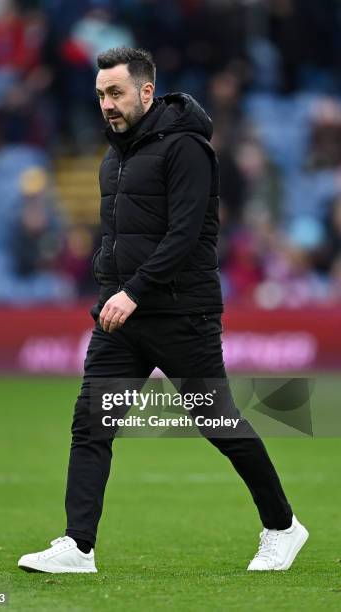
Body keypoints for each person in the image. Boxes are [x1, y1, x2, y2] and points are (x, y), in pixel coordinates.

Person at [18, 47, 309, 574]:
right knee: (91, 424)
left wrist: (133, 291)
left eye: (117, 93)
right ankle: (77, 546)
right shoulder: (115, 155)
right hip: (121, 318)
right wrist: (110, 291)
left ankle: (283, 526)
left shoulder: (188, 148)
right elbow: (117, 240)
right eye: (101, 94)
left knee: (218, 423)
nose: (107, 104)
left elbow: (186, 236)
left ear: (147, 92)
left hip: (181, 314)